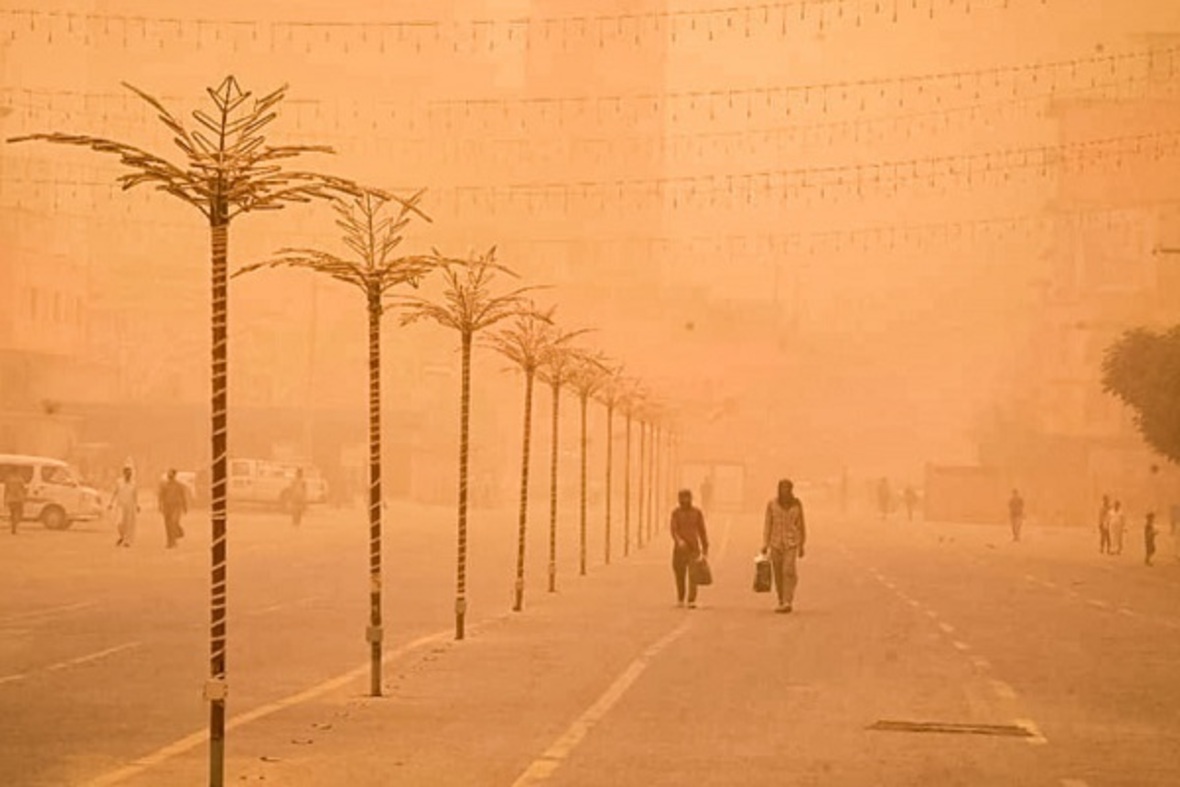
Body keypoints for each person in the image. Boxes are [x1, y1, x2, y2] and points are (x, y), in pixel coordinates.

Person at [762, 478, 807, 614]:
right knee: (778, 573)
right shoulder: (772, 505)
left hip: (791, 543)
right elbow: (768, 524)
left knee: (788, 571)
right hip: (775, 543)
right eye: (782, 489)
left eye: (787, 489)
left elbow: (801, 526)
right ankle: (781, 599)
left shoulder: (797, 505)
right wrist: (765, 543)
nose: (785, 492)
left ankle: (788, 601)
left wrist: (802, 544)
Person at [669, 489, 709, 609]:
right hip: (680, 549)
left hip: (693, 548)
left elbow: (702, 531)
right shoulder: (675, 513)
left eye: (687, 498)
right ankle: (681, 598)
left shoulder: (697, 513)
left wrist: (705, 547)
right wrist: (678, 541)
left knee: (693, 575)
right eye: (682, 498)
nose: (685, 500)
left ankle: (691, 599)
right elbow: (673, 529)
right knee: (679, 575)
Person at [109, 465, 140, 547]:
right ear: (124, 473)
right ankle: (122, 536)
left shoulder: (133, 483)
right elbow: (115, 492)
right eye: (126, 473)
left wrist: (137, 505)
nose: (128, 475)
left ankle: (127, 541)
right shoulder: (119, 482)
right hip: (120, 506)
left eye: (130, 473)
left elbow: (135, 496)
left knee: (128, 524)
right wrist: (111, 503)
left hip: (130, 506)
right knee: (119, 523)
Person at [157, 469, 188, 549]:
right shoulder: (164, 485)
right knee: (168, 525)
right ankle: (170, 542)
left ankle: (178, 533)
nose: (169, 475)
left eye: (171, 474)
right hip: (167, 507)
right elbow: (161, 496)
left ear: (174, 475)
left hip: (176, 506)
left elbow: (183, 496)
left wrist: (185, 507)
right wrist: (160, 505)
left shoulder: (179, 485)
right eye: (168, 474)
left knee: (174, 522)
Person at [4, 468, 27, 535]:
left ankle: (13, 527)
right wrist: (24, 496)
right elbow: (23, 488)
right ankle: (15, 526)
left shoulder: (8, 479)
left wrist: (5, 499)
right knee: (19, 513)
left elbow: (6, 490)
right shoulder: (20, 479)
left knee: (12, 513)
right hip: (18, 498)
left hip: (10, 498)